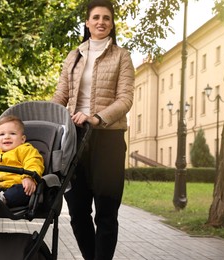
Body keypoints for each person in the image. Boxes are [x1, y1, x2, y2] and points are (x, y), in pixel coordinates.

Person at [51, 0, 135, 259]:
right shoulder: (73, 56)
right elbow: (61, 94)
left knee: (107, 212)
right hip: (75, 138)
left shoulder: (122, 56)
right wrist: (51, 119)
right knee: (76, 210)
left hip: (108, 139)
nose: (101, 22)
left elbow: (125, 99)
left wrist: (97, 117)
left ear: (112, 24)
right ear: (87, 23)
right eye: (96, 17)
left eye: (106, 18)